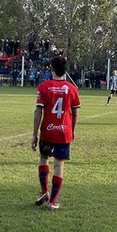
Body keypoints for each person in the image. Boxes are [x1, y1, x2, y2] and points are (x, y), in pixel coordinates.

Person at [32, 55, 81, 211]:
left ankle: (44, 192)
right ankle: (53, 202)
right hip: (63, 132)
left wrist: (34, 134)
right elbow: (75, 114)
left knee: (44, 158)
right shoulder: (72, 89)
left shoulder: (44, 87)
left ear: (51, 68)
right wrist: (71, 132)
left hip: (47, 131)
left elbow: (38, 111)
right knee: (59, 164)